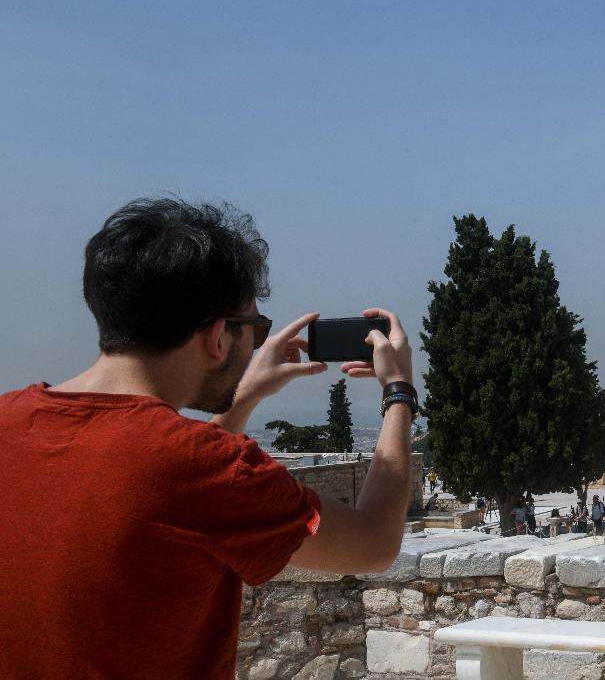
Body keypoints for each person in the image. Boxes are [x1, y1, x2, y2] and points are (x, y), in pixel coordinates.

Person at [0, 198, 415, 679]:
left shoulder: (10, 420)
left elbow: (151, 477)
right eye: (255, 330)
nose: (256, 344)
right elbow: (374, 544)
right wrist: (399, 392)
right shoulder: (212, 468)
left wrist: (241, 398)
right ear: (219, 337)